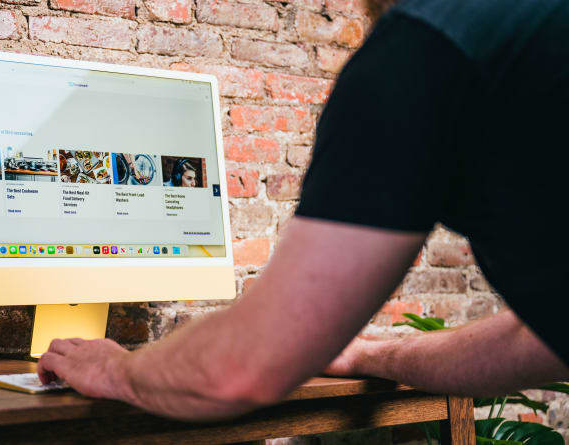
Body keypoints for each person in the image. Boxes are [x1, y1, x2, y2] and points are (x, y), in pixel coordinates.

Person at [38, 0, 569, 421]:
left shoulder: (423, 49)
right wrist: (369, 356)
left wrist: (118, 372)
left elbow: (241, 369)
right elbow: (539, 337)